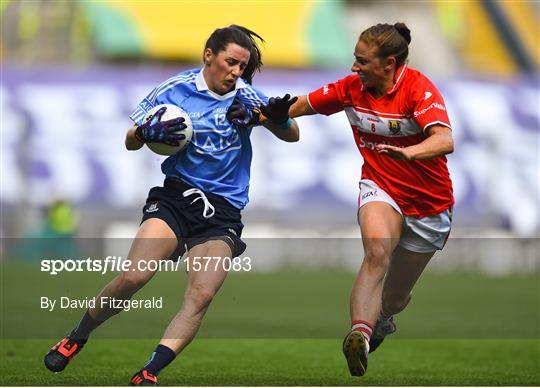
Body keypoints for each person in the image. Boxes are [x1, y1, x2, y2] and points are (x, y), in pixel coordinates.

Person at [43, 25, 299, 386]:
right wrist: (147, 133)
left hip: (222, 213)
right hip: (177, 199)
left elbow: (292, 134)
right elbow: (131, 140)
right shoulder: (174, 90)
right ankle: (77, 336)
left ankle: (149, 372)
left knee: (201, 295)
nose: (236, 72)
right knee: (135, 275)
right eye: (230, 62)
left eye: (242, 66)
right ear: (208, 55)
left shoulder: (248, 97)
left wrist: (276, 118)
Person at [248, 22, 454, 376]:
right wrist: (262, 115)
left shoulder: (418, 89)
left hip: (429, 205)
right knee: (376, 252)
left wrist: (411, 153)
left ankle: (383, 319)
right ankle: (359, 332)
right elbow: (303, 104)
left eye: (362, 61)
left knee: (395, 298)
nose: (354, 67)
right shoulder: (352, 88)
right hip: (381, 187)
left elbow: (444, 139)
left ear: (389, 63)